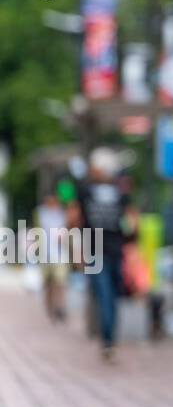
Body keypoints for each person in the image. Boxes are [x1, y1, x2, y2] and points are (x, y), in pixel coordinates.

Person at [75, 148, 137, 362]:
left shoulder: (85, 191)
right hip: (116, 249)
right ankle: (110, 340)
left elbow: (73, 220)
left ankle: (108, 341)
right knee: (112, 297)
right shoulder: (120, 193)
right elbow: (132, 222)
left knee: (104, 297)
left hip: (95, 250)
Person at [35, 188, 70, 322]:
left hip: (60, 254)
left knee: (60, 282)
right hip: (46, 255)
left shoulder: (62, 214)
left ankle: (60, 307)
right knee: (48, 284)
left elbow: (67, 231)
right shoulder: (40, 214)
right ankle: (50, 307)